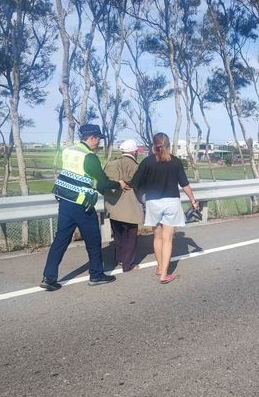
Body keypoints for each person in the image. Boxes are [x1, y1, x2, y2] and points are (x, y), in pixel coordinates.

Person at [40, 124, 130, 291]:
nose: (98, 144)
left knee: (61, 239)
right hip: (81, 204)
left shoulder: (68, 151)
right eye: (98, 140)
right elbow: (102, 181)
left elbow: (78, 174)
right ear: (92, 138)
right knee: (93, 239)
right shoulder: (89, 156)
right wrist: (119, 184)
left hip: (65, 200)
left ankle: (48, 277)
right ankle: (96, 274)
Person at [131, 132, 199, 284]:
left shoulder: (147, 162)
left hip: (153, 202)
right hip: (171, 202)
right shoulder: (175, 162)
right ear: (168, 145)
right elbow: (185, 184)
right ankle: (164, 275)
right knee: (168, 239)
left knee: (157, 237)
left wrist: (143, 197)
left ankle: (160, 267)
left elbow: (135, 183)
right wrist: (193, 201)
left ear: (154, 145)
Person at [103, 139, 145, 272]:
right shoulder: (134, 166)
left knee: (118, 235)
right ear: (134, 152)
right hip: (129, 207)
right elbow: (141, 186)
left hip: (113, 206)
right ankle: (128, 264)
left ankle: (119, 259)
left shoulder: (111, 164)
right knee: (131, 237)